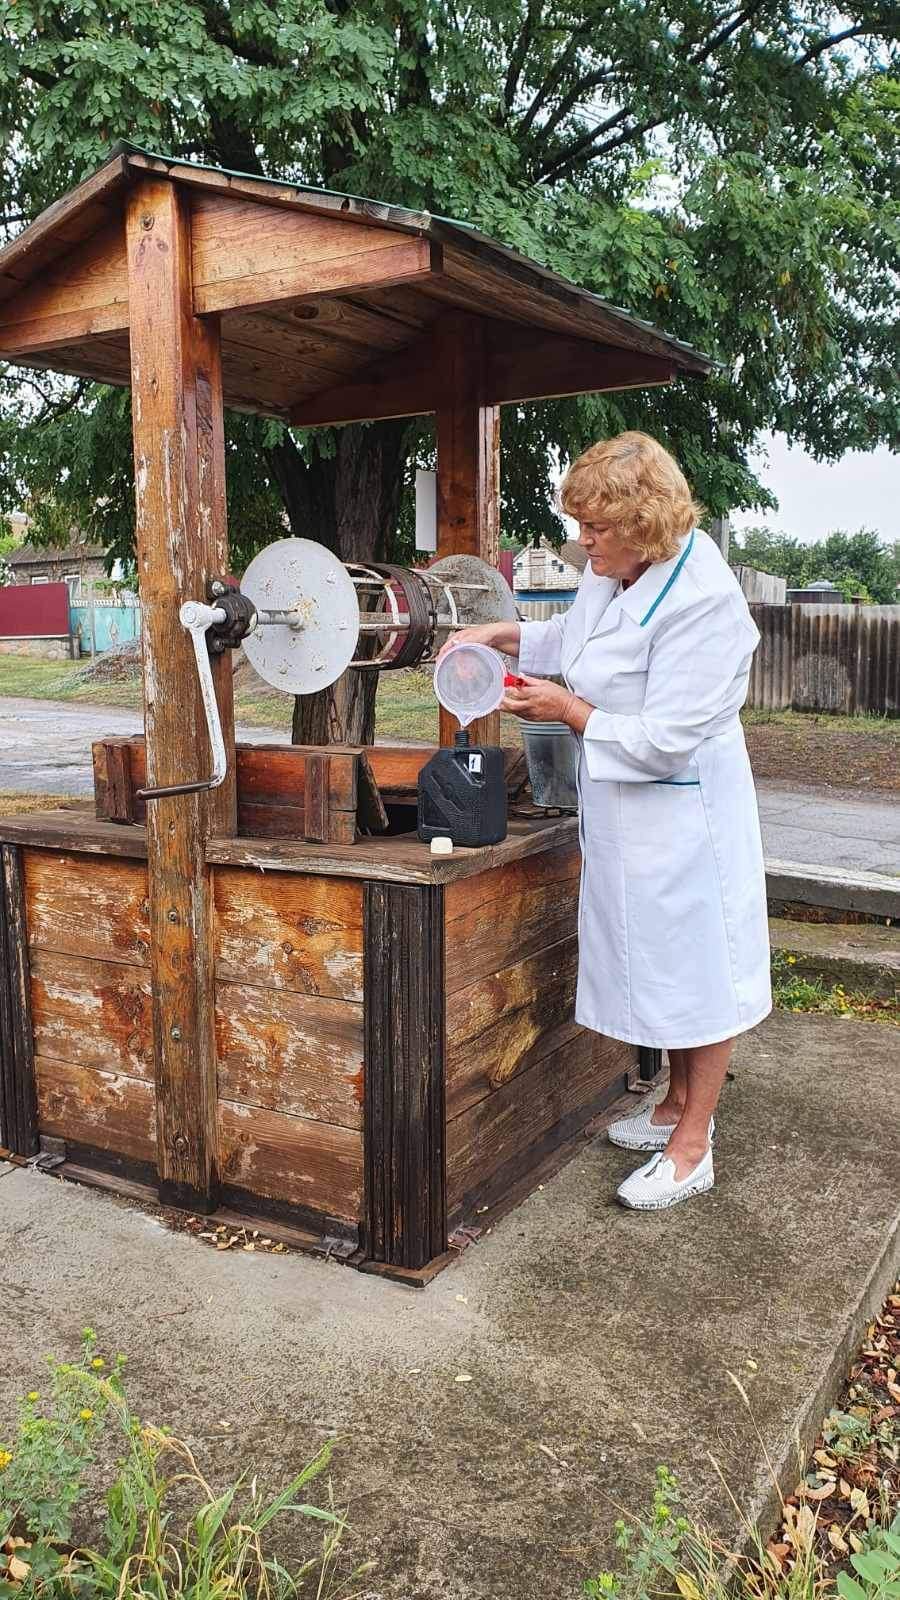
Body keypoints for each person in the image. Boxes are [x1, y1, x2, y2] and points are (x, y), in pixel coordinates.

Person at [441, 431, 771, 1210]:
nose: (582, 542)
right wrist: (500, 633)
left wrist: (569, 711)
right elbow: (576, 639)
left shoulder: (705, 603)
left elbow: (665, 739)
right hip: (629, 811)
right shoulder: (613, 569)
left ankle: (694, 1145)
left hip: (685, 809)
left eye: (596, 527)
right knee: (658, 961)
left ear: (644, 523)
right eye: (580, 525)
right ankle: (671, 1107)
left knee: (698, 972)